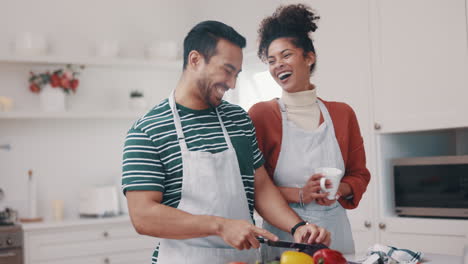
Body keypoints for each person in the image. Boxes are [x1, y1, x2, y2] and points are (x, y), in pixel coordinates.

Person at [122, 20, 331, 264]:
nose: (232, 84)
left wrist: (297, 227)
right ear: (195, 60)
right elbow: (143, 216)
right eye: (227, 70)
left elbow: (261, 186)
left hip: (243, 259)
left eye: (237, 74)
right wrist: (220, 226)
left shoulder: (238, 119)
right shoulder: (147, 130)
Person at [248, 4, 371, 258]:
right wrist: (301, 194)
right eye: (271, 60)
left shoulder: (342, 113)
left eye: (286, 55)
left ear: (309, 57)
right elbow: (254, 187)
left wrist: (338, 190)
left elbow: (359, 175)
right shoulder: (261, 115)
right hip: (285, 234)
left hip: (336, 233)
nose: (278, 65)